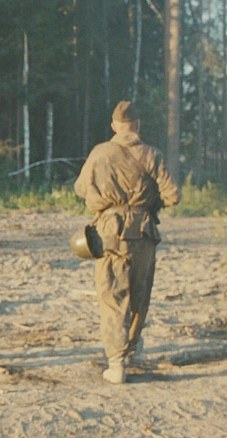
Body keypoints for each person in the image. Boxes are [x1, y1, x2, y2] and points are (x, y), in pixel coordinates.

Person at [74, 100, 180, 384]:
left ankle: (117, 363)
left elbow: (80, 188)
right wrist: (148, 203)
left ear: (114, 126)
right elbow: (173, 195)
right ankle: (131, 348)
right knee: (139, 294)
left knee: (113, 296)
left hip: (110, 233)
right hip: (144, 233)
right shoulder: (152, 154)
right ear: (138, 125)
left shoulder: (100, 153)